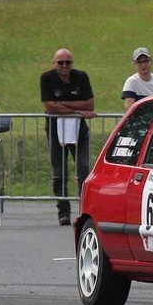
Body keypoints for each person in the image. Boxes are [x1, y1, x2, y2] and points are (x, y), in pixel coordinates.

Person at [40, 48, 96, 226]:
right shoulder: (47, 78)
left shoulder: (81, 77)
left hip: (79, 128)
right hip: (55, 128)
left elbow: (89, 103)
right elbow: (49, 107)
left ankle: (84, 210)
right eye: (60, 62)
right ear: (54, 63)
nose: (64, 66)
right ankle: (63, 210)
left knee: (83, 169)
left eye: (68, 62)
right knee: (59, 172)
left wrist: (62, 105)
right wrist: (77, 110)